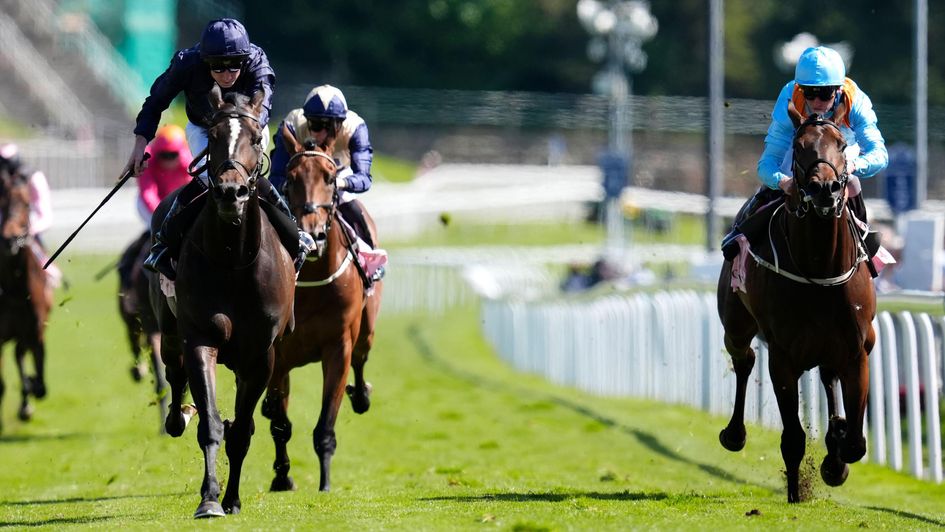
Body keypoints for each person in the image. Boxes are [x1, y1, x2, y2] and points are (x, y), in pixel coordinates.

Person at [122, 18, 313, 281]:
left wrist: (243, 138)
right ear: (204, 60)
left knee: (251, 178)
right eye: (218, 66)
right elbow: (155, 102)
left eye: (234, 64)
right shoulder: (186, 63)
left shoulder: (258, 62)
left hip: (249, 127)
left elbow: (264, 105)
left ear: (245, 59)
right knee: (206, 178)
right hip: (205, 127)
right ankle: (164, 243)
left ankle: (295, 235)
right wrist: (140, 144)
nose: (227, 73)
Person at [721, 45, 888, 261]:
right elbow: (767, 164)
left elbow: (879, 154)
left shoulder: (855, 101)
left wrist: (852, 166)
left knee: (852, 181)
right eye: (810, 92)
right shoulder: (790, 98)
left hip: (840, 152)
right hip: (802, 150)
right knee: (783, 174)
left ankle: (863, 242)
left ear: (838, 89)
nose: (817, 101)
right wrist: (782, 182)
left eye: (825, 93)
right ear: (801, 89)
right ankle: (741, 233)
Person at [270, 84, 378, 250]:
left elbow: (364, 178)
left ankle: (371, 261)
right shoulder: (292, 124)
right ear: (307, 119)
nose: (322, 134)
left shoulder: (355, 128)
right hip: (300, 182)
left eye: (330, 127)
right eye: (315, 125)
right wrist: (289, 187)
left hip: (337, 177)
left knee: (359, 219)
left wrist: (338, 183)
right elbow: (276, 176)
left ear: (341, 123)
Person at [117, 125, 193, 292]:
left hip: (178, 205)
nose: (167, 160)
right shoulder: (148, 161)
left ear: (181, 153)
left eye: (172, 155)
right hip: (150, 206)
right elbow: (148, 194)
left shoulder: (189, 161)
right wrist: (164, 216)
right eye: (163, 155)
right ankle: (130, 282)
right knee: (156, 231)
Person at [0, 143, 60, 285]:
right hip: (3, 231)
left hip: (26, 233)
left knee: (30, 249)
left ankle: (48, 276)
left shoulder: (33, 178)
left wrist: (30, 230)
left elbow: (45, 215)